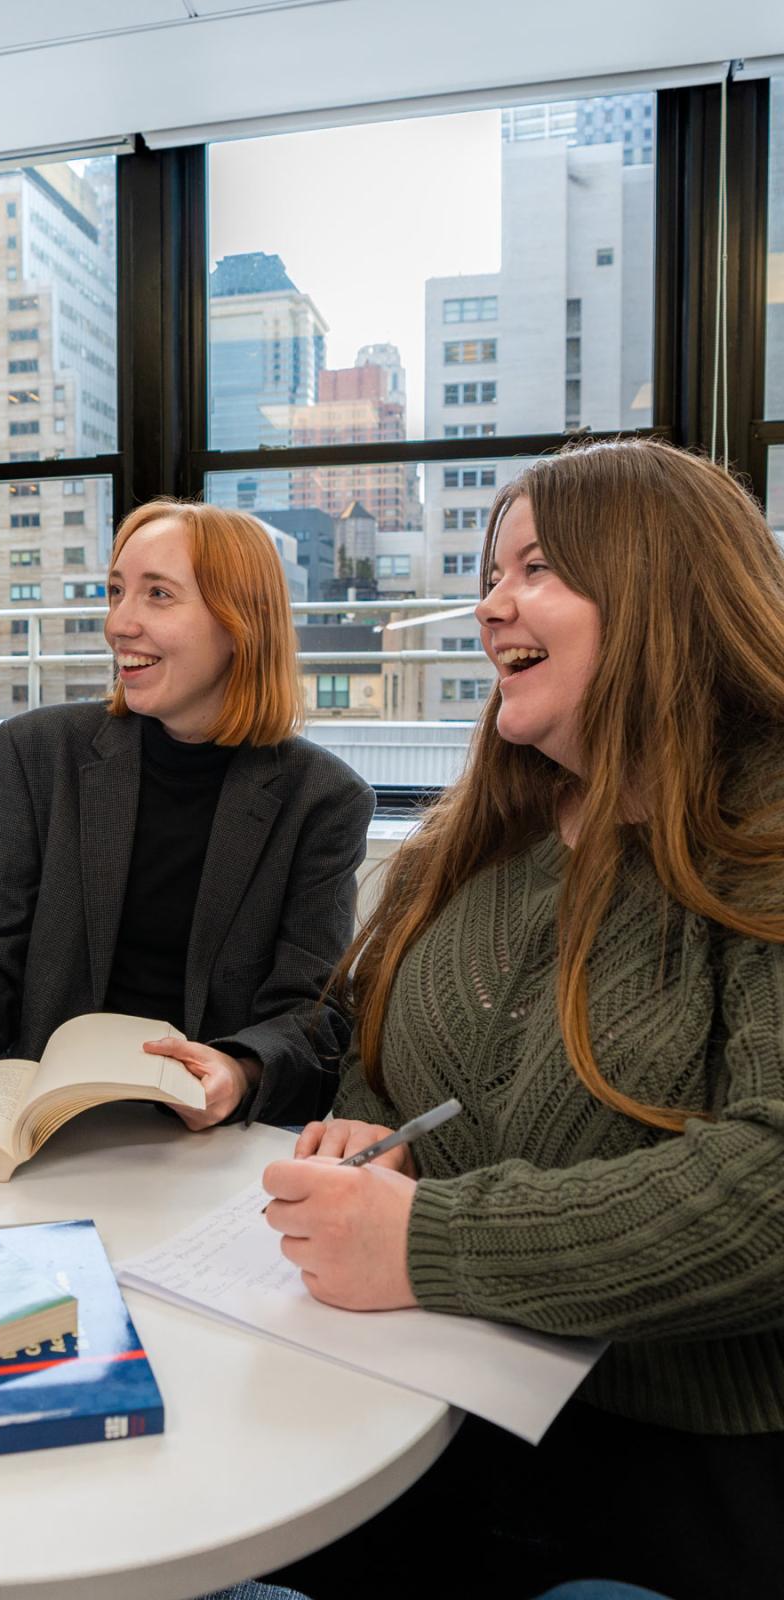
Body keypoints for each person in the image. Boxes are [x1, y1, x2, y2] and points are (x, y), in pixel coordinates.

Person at [256, 440, 784, 1600]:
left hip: (679, 1463)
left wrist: (427, 1237)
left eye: (536, 569)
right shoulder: (472, 837)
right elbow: (378, 1063)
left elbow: (771, 1189)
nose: (490, 604)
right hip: (430, 1398)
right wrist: (365, 1136)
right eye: (493, 572)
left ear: (660, 590)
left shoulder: (762, 827)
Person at [0, 497, 375, 1130]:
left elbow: (309, 1012)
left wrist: (238, 1073)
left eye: (158, 594)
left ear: (240, 623)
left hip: (212, 1134)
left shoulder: (322, 799)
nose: (119, 624)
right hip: (46, 1120)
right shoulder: (36, 753)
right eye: (115, 591)